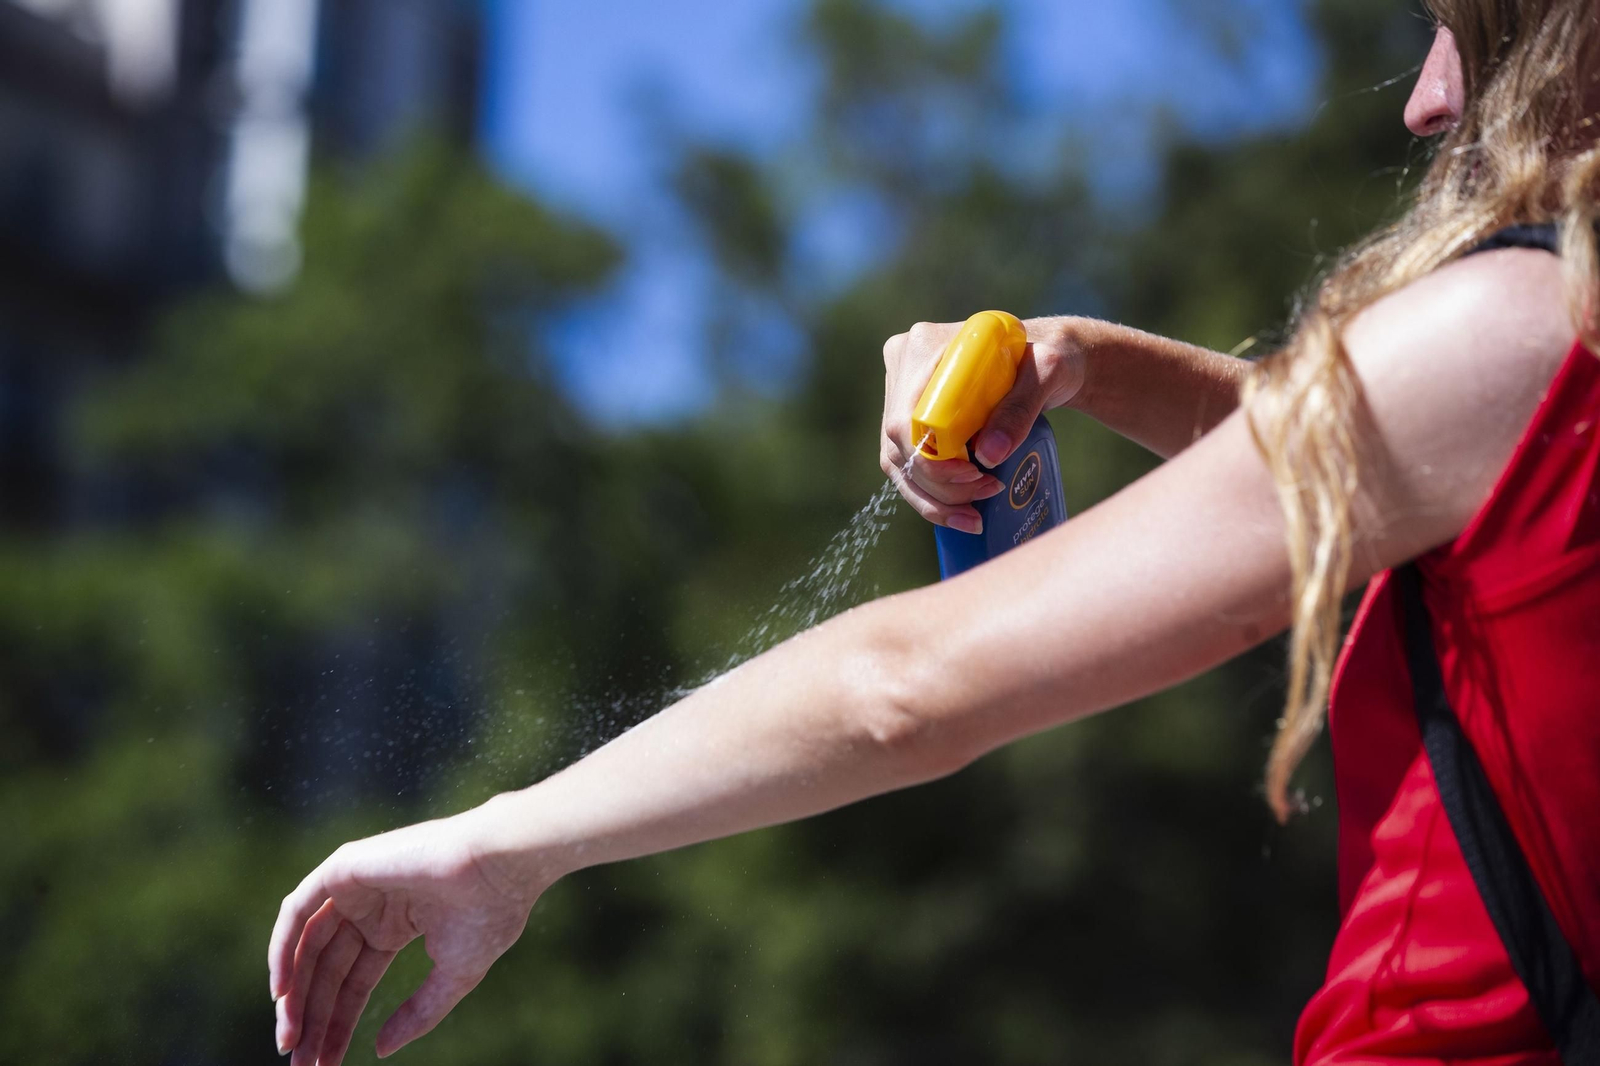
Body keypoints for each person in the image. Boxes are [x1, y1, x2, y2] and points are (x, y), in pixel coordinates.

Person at [268, 2, 1600, 1063]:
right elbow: (1392, 475)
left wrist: (505, 844)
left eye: (1463, 30)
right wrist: (1085, 361)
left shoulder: (1519, 333)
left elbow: (907, 687)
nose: (1430, 95)